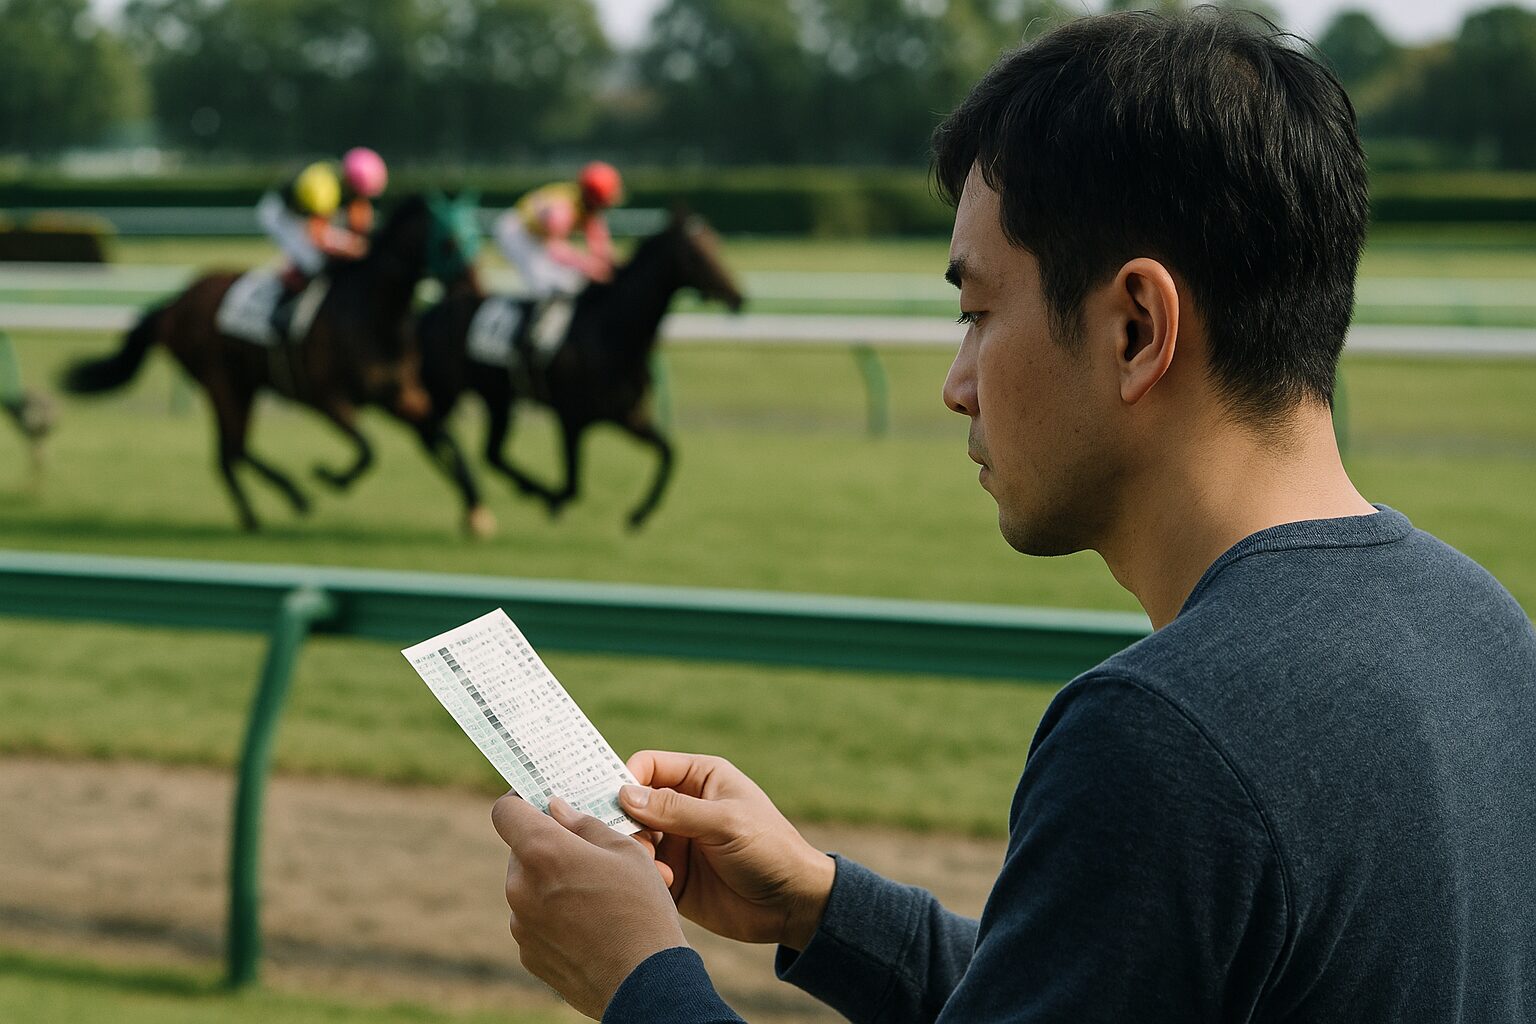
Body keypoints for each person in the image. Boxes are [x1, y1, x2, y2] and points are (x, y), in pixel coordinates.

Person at [489, 10, 1536, 1023]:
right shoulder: (1487, 626)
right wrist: (822, 903)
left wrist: (638, 977)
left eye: (979, 312)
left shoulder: (1164, 736)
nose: (957, 383)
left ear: (1136, 327)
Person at [255, 147, 388, 290]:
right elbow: (318, 236)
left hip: (307, 215)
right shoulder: (324, 188)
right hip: (280, 214)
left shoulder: (349, 186)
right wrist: (353, 247)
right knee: (313, 262)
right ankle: (277, 294)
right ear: (351, 184)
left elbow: (360, 223)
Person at [493, 160, 623, 300]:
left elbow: (600, 244)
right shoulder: (564, 209)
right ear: (594, 199)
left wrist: (612, 267)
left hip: (539, 237)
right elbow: (555, 250)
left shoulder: (587, 205)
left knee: (570, 280)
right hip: (517, 232)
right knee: (548, 285)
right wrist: (590, 267)